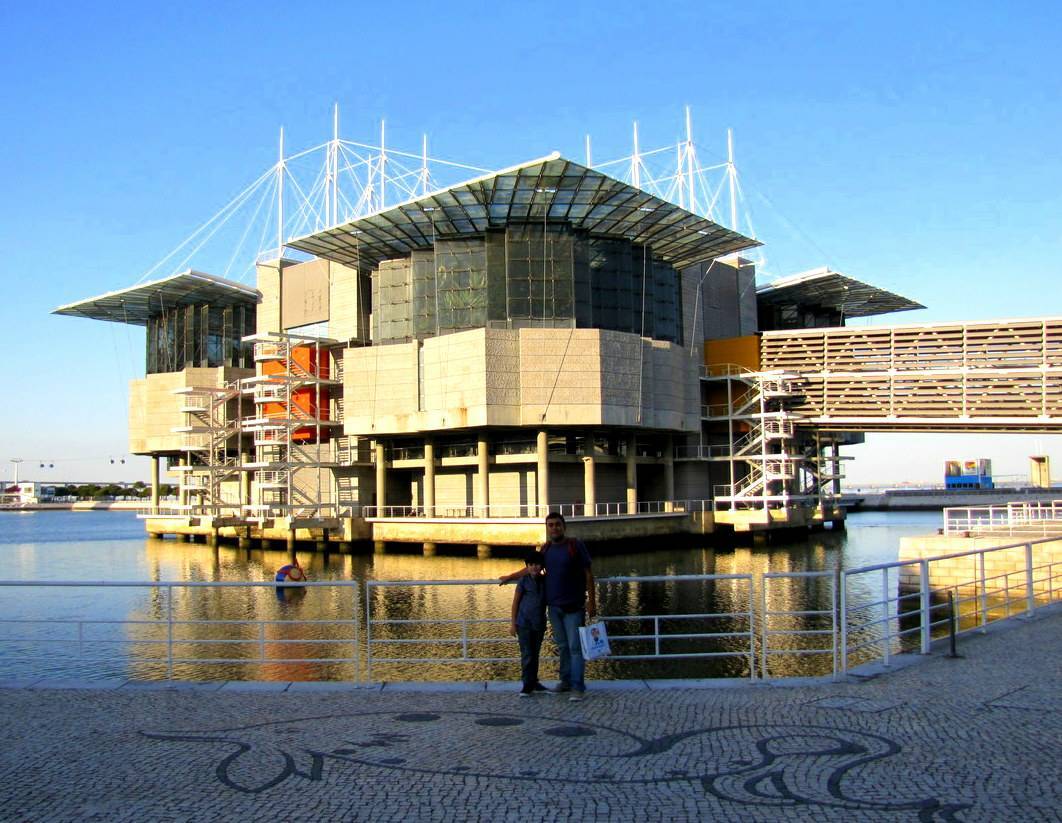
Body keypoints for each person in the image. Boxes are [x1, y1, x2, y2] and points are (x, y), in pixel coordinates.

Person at [500, 512, 596, 702]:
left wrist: (592, 601)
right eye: (550, 525)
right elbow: (531, 568)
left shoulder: (575, 545)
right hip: (553, 607)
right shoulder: (547, 549)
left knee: (575, 647)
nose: (554, 528)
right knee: (562, 646)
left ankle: (578, 687)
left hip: (574, 606)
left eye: (557, 524)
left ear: (564, 526)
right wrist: (510, 577)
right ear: (547, 528)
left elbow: (588, 574)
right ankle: (565, 681)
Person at [508, 550, 549, 697]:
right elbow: (515, 603)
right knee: (527, 654)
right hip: (524, 623)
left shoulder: (546, 581)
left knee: (535, 654)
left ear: (542, 565)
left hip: (539, 624)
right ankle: (526, 684)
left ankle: (534, 681)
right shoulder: (523, 581)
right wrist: (513, 623)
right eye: (531, 565)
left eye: (537, 564)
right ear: (527, 566)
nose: (534, 567)